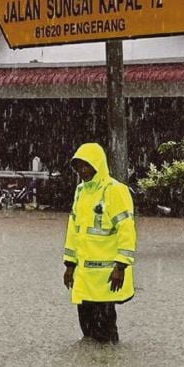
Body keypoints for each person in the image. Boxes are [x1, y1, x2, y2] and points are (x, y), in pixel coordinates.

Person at [62, 142, 136, 344]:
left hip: (106, 275)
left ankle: (108, 365)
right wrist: (70, 264)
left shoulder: (115, 191)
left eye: (86, 165)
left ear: (98, 165)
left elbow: (126, 230)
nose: (83, 171)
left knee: (105, 330)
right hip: (84, 275)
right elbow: (74, 229)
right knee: (87, 330)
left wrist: (120, 266)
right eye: (78, 166)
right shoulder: (80, 191)